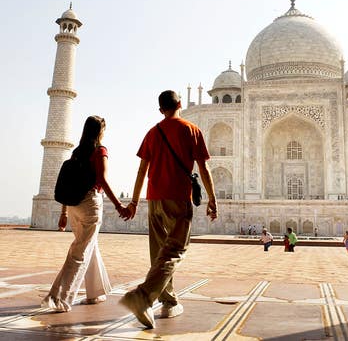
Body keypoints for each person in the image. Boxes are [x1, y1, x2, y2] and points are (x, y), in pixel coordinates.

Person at [120, 90, 217, 329]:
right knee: (175, 250)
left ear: (161, 109)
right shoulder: (190, 130)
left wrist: (134, 201)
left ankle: (168, 299)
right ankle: (143, 296)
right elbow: (203, 169)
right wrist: (212, 199)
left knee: (159, 252)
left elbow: (141, 170)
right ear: (180, 104)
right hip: (177, 197)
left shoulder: (153, 132)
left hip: (154, 198)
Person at [41, 115, 125, 312]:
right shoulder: (100, 151)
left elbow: (68, 182)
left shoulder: (77, 152)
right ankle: (59, 298)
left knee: (88, 247)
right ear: (100, 131)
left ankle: (96, 292)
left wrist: (63, 212)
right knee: (79, 253)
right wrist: (119, 205)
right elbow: (102, 180)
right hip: (90, 204)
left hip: (73, 206)